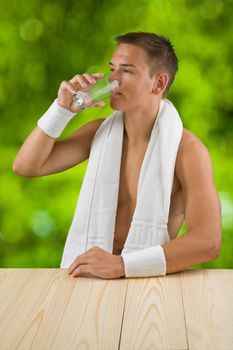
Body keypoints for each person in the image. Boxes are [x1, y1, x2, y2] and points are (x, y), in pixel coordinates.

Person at [13, 32, 222, 279]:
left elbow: (208, 242)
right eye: (112, 69)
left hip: (148, 283)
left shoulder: (186, 150)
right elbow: (26, 166)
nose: (113, 80)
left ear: (158, 83)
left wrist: (123, 265)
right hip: (87, 277)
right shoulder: (98, 132)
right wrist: (61, 110)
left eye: (127, 71)